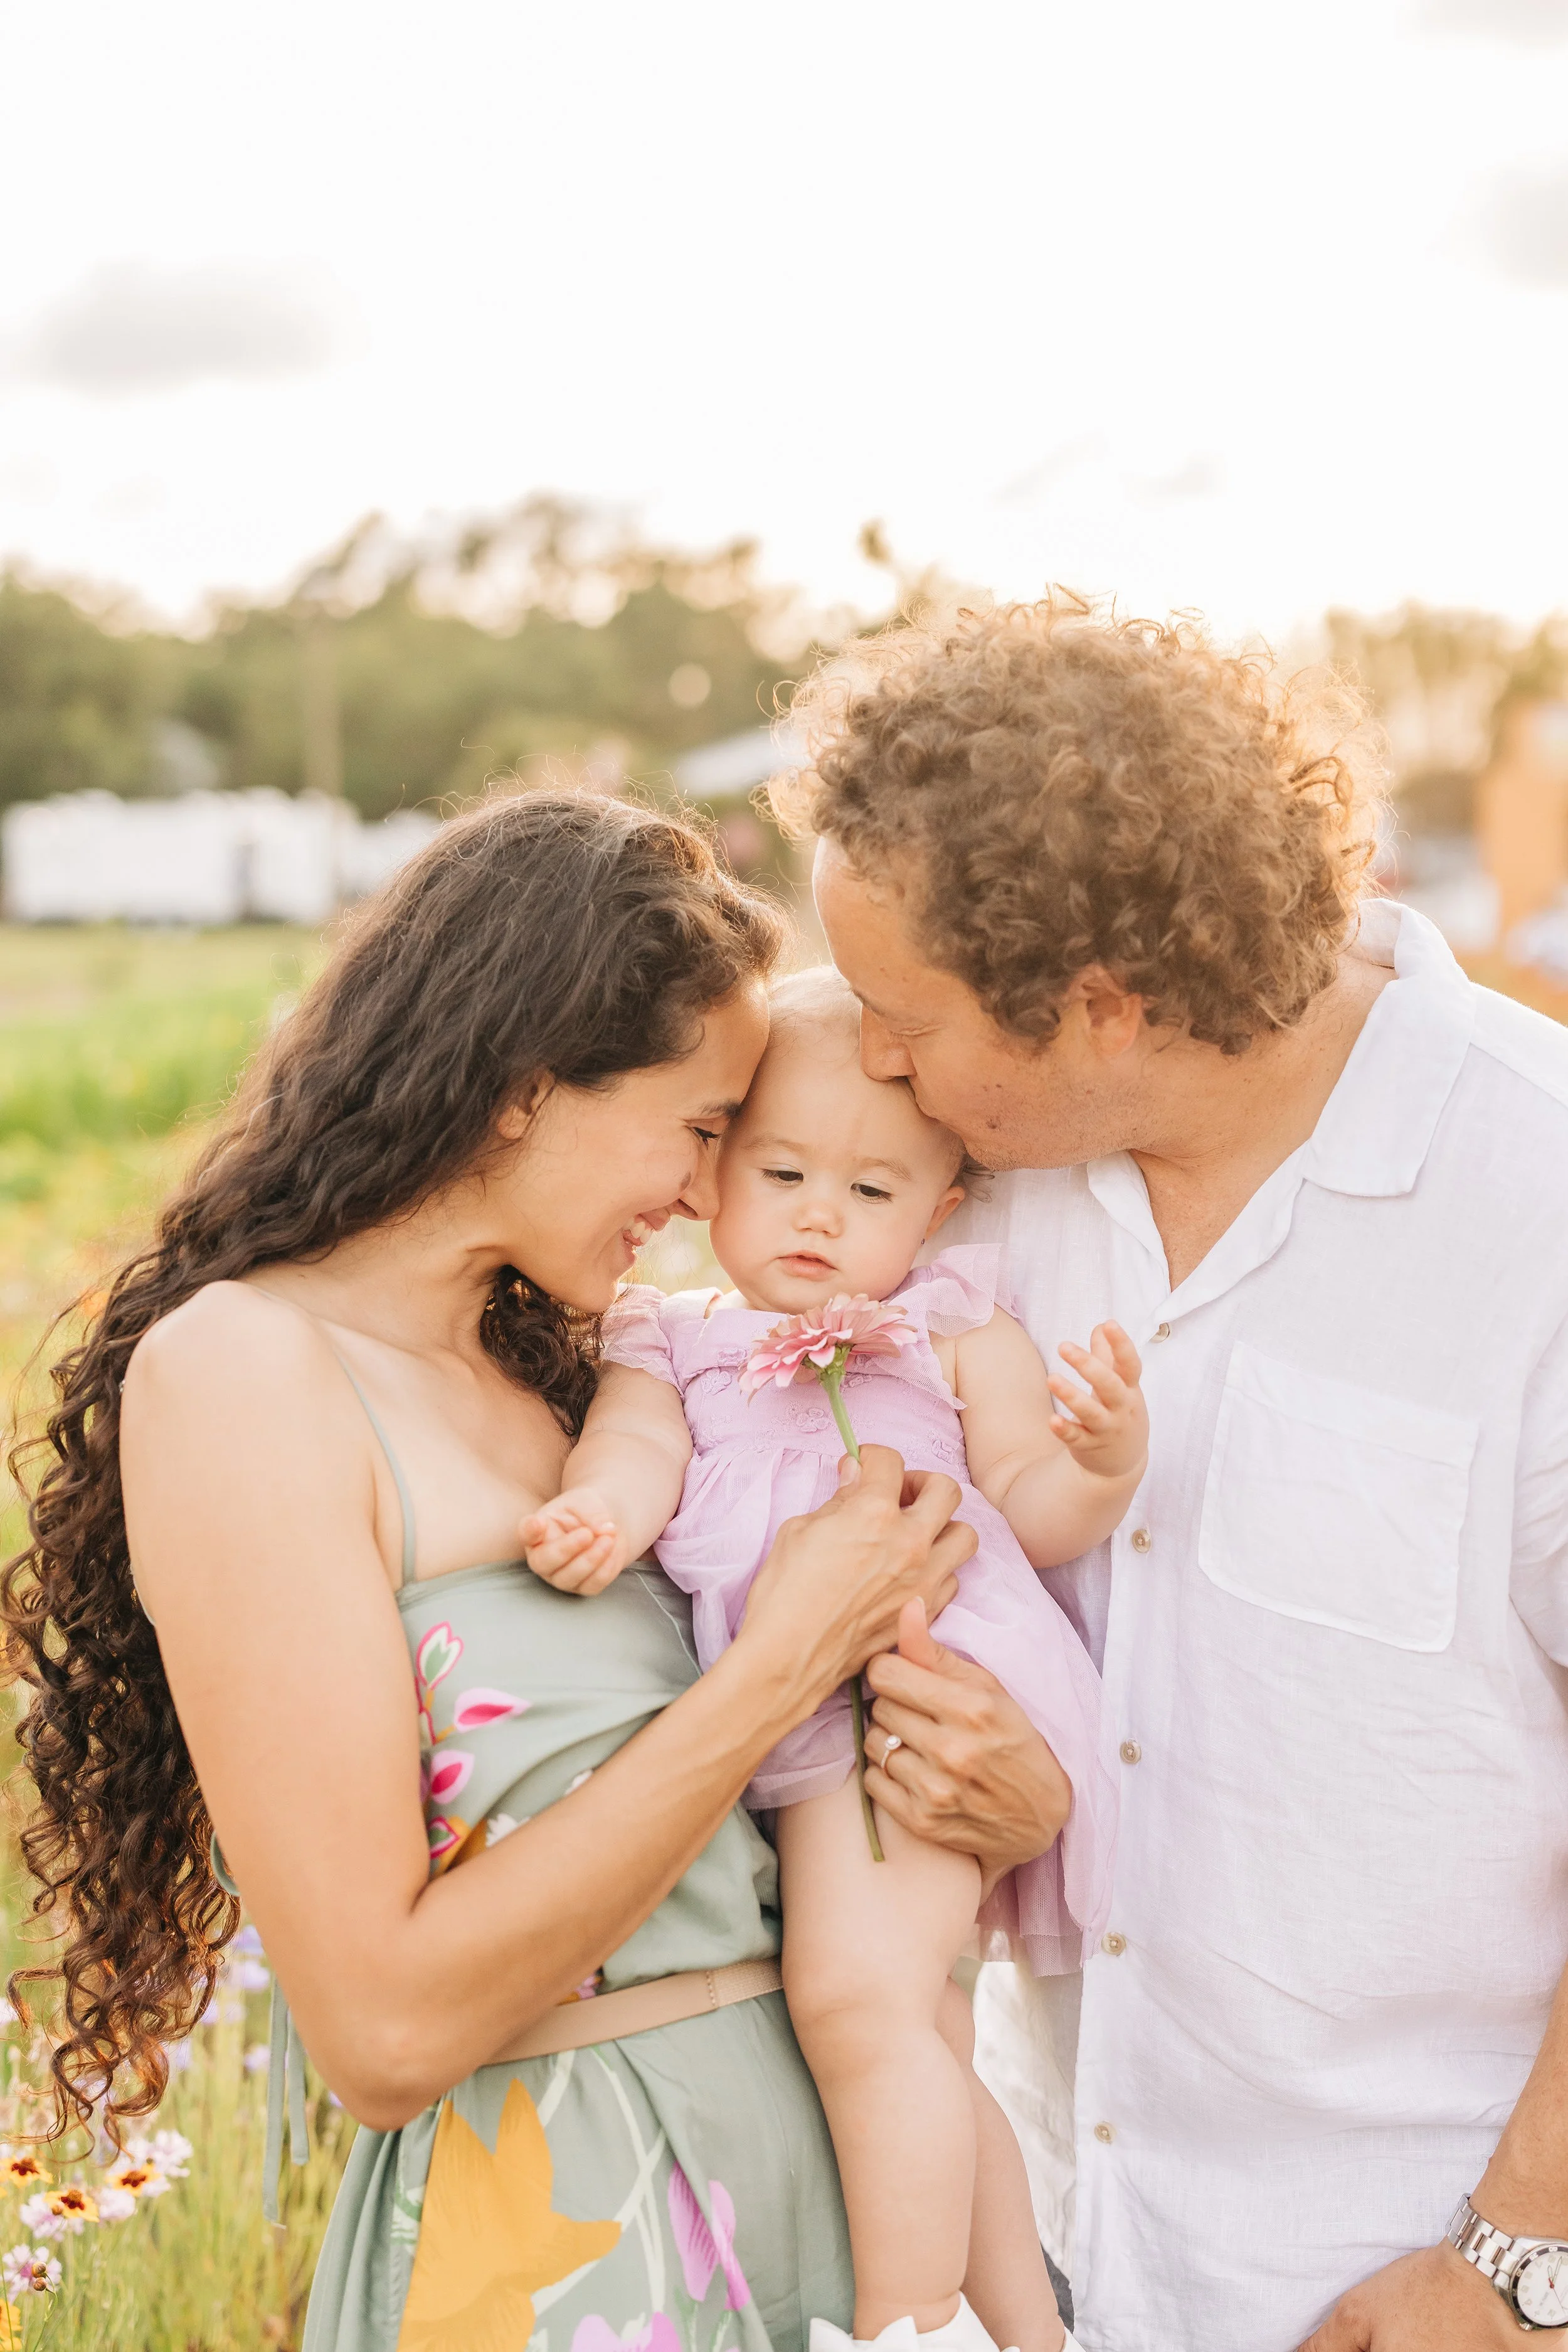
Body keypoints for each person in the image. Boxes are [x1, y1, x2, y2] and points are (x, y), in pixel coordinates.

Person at [1, 792, 1030, 2352]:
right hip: (569, 2239)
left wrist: (1001, 1779)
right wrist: (777, 1666)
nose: (706, 1193)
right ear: (523, 1090)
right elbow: (383, 2028)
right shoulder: (248, 1372)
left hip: (820, 2189)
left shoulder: (584, 1379)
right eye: (700, 1129)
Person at [792, 598, 1568, 2352]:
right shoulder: (957, 1191)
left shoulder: (1537, 1198)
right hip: (1047, 2261)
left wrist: (1518, 2259)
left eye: (902, 1015)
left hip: (1411, 2277)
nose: (874, 1057)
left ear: (1100, 1007)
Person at [523, 964, 1145, 2352]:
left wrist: (1102, 1466)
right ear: (713, 1176)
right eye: (783, 1171)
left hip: (923, 1686)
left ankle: (902, 2325)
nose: (819, 1213)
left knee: (854, 2001)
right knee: (915, 2024)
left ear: (939, 1210)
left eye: (870, 1190)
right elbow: (636, 1447)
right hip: (794, 1698)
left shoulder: (943, 1324)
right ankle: (1025, 2333)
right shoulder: (671, 1335)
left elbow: (1030, 1503)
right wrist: (600, 1510)